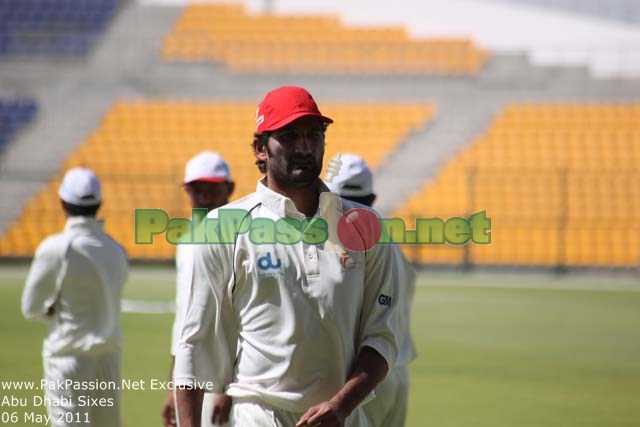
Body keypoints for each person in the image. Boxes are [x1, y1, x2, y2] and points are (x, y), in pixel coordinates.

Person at [174, 86, 399, 427]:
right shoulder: (222, 229)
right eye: (289, 136)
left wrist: (340, 405)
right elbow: (194, 345)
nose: (305, 147)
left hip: (344, 418)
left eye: (314, 134)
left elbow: (382, 338)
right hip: (258, 415)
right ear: (260, 149)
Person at [21, 167, 129, 427]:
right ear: (99, 204)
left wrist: (50, 307)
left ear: (62, 203)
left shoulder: (56, 248)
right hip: (108, 356)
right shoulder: (116, 249)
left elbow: (31, 307)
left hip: (68, 357)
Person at [327, 153, 417, 427]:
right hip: (397, 372)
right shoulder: (390, 244)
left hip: (363, 378)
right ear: (373, 199)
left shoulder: (345, 247)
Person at [162, 151, 235, 427]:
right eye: (196, 188)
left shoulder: (245, 238)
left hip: (231, 382)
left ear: (229, 188)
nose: (203, 196)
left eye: (211, 187)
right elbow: (183, 322)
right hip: (194, 378)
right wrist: (174, 386)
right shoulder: (186, 242)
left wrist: (225, 389)